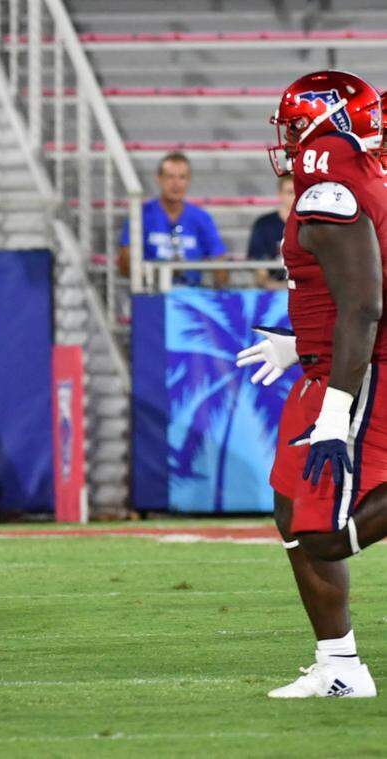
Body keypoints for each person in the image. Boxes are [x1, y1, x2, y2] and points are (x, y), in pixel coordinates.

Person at [242, 69, 387, 699]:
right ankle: (339, 668)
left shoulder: (332, 188)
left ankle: (341, 667)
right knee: (290, 507)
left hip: (359, 368)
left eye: (296, 125)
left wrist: (335, 410)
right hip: (327, 362)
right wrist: (299, 344)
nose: (289, 138)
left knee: (326, 532)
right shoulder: (346, 179)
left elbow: (364, 306)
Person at [119, 152, 228, 287]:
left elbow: (220, 261)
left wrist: (217, 288)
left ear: (189, 181)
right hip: (150, 292)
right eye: (170, 177)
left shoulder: (201, 218)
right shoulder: (140, 215)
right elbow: (125, 266)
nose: (176, 184)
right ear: (159, 179)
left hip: (191, 294)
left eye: (182, 177)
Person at [248, 175, 296, 289]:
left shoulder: (311, 224)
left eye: (298, 192)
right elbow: (260, 270)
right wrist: (276, 286)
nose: (295, 197)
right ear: (280, 195)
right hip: (274, 290)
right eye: (290, 192)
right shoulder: (264, 224)